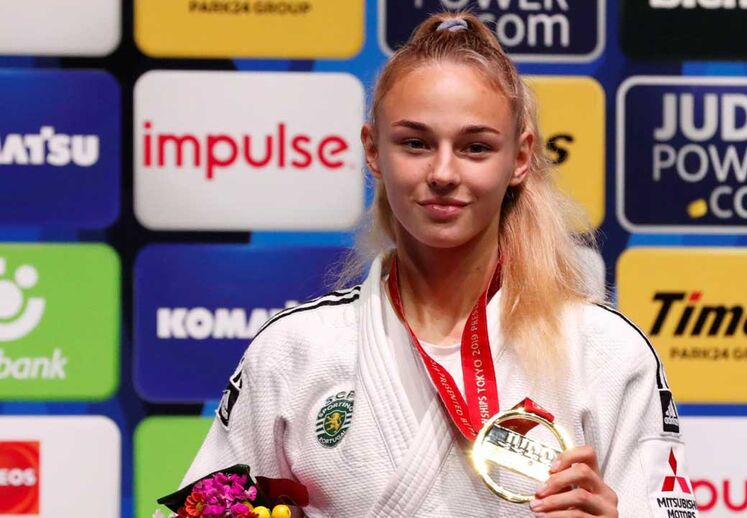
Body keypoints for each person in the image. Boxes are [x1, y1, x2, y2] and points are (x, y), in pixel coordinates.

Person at [181, 12, 696, 518]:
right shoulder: (293, 351)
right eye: (415, 143)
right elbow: (200, 509)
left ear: (520, 159)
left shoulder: (606, 352)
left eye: (475, 147)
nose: (444, 172)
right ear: (373, 150)